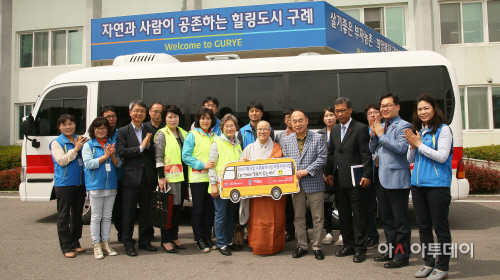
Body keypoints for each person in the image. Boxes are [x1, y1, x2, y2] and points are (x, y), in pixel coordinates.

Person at [405, 93, 453, 280]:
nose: (423, 112)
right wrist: (412, 146)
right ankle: (428, 263)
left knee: (440, 227)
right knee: (423, 227)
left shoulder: (443, 130)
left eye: (426, 108)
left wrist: (418, 144)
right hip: (417, 185)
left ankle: (442, 267)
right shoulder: (419, 131)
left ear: (434, 109)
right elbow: (411, 159)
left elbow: (442, 156)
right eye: (419, 109)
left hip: (437, 185)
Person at [326, 97, 372, 263]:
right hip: (339, 180)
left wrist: (367, 175)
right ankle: (348, 245)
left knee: (359, 215)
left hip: (356, 180)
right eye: (337, 111)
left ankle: (360, 248)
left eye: (343, 110)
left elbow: (366, 154)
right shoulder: (335, 130)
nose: (339, 114)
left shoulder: (360, 128)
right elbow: (331, 153)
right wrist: (329, 173)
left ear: (350, 110)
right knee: (344, 215)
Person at [369, 93, 412, 268]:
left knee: (400, 221)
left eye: (388, 105)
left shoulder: (404, 126)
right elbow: (372, 148)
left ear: (397, 107)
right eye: (382, 106)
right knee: (386, 219)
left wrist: (381, 135)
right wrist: (374, 135)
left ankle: (402, 256)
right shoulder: (382, 126)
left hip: (396, 179)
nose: (384, 109)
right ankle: (390, 251)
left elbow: (401, 148)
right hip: (380, 177)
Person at [282, 109, 327, 260]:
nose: (297, 124)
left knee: (318, 217)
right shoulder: (287, 140)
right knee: (298, 216)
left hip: (314, 182)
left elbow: (322, 158)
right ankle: (301, 245)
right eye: (294, 121)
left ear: (307, 120)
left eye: (300, 120)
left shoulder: (317, 137)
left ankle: (317, 246)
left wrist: (307, 171)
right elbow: (286, 162)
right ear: (290, 123)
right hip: (297, 184)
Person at [116, 100, 158, 257]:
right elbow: (121, 151)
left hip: (147, 177)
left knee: (146, 212)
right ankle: (128, 242)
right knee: (129, 212)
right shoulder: (122, 131)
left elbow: (154, 149)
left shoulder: (149, 129)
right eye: (136, 110)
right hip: (130, 178)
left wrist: (148, 146)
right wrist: (141, 147)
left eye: (142, 111)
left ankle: (145, 241)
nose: (139, 113)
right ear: (130, 112)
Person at [241, 120, 286, 255]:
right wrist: (244, 162)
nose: (262, 132)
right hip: (256, 193)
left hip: (273, 194)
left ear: (270, 131)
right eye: (260, 129)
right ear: (256, 131)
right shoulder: (249, 148)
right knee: (257, 219)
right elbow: (241, 166)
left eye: (265, 129)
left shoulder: (276, 148)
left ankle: (275, 246)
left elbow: (278, 166)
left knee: (275, 219)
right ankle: (257, 244)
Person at [82, 117, 121, 259]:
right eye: (98, 128)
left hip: (111, 184)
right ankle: (96, 244)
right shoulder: (89, 145)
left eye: (104, 128)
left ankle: (106, 243)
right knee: (96, 216)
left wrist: (112, 156)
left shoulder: (111, 143)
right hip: (96, 185)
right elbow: (88, 164)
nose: (101, 130)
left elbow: (118, 164)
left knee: (107, 216)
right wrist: (105, 157)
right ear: (93, 129)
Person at [49, 114, 88, 258]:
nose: (68, 127)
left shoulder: (81, 139)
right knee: (64, 216)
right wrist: (76, 149)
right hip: (64, 184)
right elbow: (61, 160)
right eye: (64, 124)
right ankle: (66, 246)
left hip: (80, 183)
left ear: (75, 125)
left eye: (70, 123)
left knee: (77, 215)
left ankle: (75, 242)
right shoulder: (56, 142)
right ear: (59, 127)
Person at [154, 104, 189, 253]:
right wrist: (161, 177)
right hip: (169, 178)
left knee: (177, 209)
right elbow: (158, 156)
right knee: (168, 211)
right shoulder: (162, 133)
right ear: (165, 118)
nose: (173, 119)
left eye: (175, 116)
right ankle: (165, 240)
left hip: (182, 177)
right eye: (170, 117)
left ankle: (174, 236)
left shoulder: (183, 132)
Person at [182, 107, 217, 252]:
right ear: (198, 120)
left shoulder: (215, 136)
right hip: (197, 178)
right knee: (198, 209)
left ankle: (207, 236)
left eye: (208, 118)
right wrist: (202, 165)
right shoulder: (192, 135)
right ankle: (199, 238)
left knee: (210, 209)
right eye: (202, 118)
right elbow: (186, 156)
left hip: (212, 179)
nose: (205, 121)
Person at [208, 114, 242, 256]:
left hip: (235, 187)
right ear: (222, 128)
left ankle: (229, 241)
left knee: (230, 215)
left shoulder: (238, 144)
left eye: (232, 126)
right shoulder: (216, 143)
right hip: (220, 186)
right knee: (221, 215)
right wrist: (214, 185)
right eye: (226, 126)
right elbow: (211, 166)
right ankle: (221, 243)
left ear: (236, 127)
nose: (229, 128)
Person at [100, 106, 123, 242]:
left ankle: (122, 235)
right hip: (102, 178)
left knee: (120, 209)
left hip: (119, 176)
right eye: (108, 116)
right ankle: (102, 239)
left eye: (113, 116)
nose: (111, 119)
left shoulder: (121, 133)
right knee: (103, 212)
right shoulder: (99, 134)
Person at [274, 108, 295, 243]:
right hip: (285, 175)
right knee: (287, 206)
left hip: (299, 173)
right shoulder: (280, 136)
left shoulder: (301, 133)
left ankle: (303, 233)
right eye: (287, 117)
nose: (289, 120)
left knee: (299, 206)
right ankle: (290, 231)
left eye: (291, 117)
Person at [317, 107, 337, 245]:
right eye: (326, 116)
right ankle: (328, 233)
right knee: (326, 205)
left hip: (339, 173)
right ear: (323, 119)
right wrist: (323, 173)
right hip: (323, 175)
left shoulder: (342, 131)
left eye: (331, 115)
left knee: (342, 204)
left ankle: (343, 234)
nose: (329, 118)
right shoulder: (319, 134)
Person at [364, 103, 382, 249]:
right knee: (369, 207)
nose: (373, 115)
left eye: (375, 112)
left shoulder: (386, 129)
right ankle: (372, 235)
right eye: (370, 113)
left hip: (383, 174)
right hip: (369, 173)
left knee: (384, 206)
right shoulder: (363, 131)